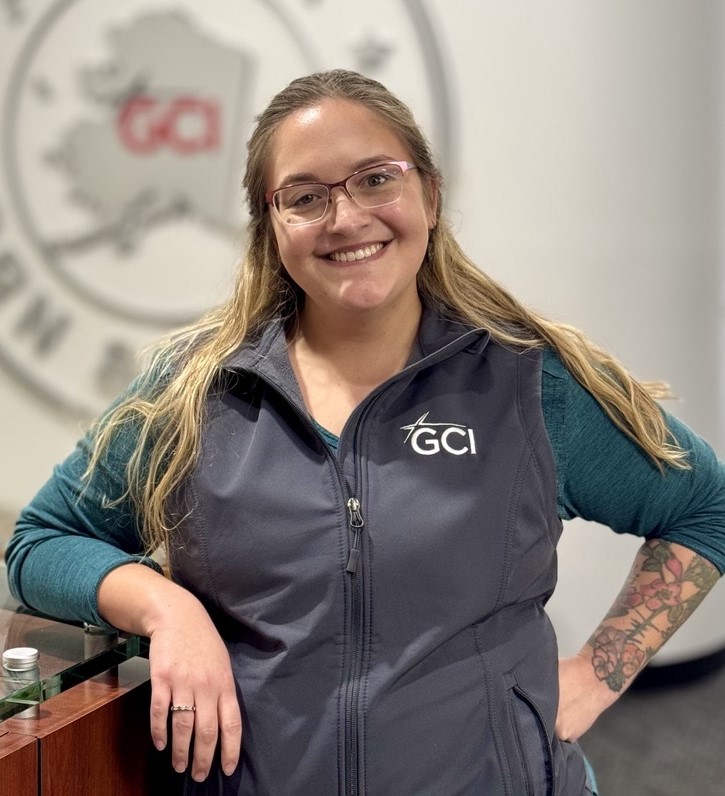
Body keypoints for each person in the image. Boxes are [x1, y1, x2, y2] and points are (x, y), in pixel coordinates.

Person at [5, 68, 725, 795]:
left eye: (375, 179)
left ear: (430, 194)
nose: (346, 218)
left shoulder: (528, 382)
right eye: (305, 197)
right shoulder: (190, 392)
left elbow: (705, 508)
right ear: (270, 226)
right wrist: (166, 608)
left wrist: (599, 673)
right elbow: (40, 544)